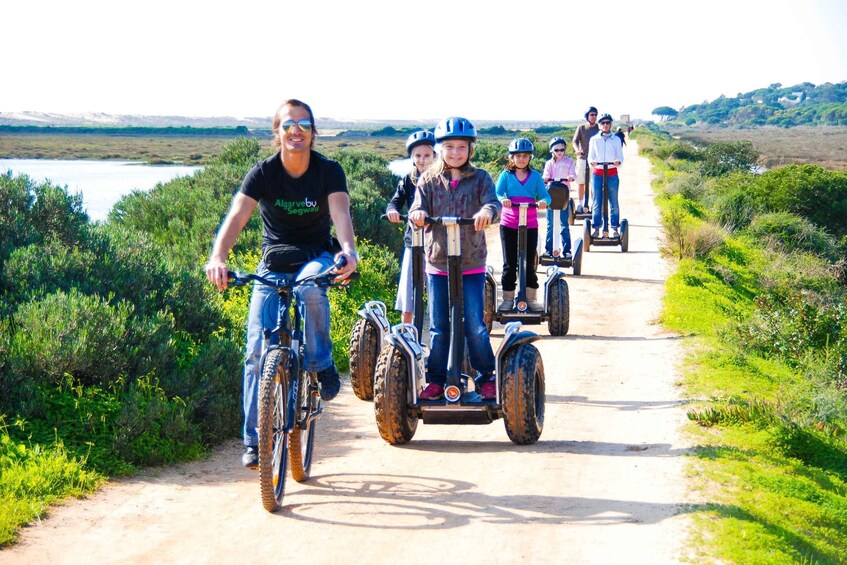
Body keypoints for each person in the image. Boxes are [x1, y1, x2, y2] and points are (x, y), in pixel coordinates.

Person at [205, 99, 359, 468]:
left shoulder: (329, 171)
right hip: (273, 261)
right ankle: (255, 441)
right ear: (277, 132)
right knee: (257, 353)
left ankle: (321, 364)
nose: (297, 130)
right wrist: (218, 258)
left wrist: (349, 252)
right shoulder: (263, 173)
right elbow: (237, 216)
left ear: (313, 132)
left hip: (316, 256)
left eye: (304, 124)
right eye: (289, 124)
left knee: (309, 287)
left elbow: (340, 213)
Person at [409, 117, 501, 400]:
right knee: (438, 326)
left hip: (471, 262)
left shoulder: (481, 178)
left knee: (475, 323)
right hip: (438, 263)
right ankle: (436, 379)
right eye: (449, 146)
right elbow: (417, 207)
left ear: (470, 149)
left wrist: (487, 212)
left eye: (462, 147)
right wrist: (418, 215)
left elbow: (493, 203)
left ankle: (486, 377)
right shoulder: (428, 180)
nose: (456, 152)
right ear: (439, 148)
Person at [386, 130, 436, 324]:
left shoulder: (441, 178)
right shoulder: (409, 179)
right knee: (407, 294)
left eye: (427, 155)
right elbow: (395, 202)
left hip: (436, 243)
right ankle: (406, 338)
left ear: (435, 156)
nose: (422, 160)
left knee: (437, 292)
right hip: (412, 241)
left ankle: (439, 339)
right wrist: (392, 211)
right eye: (417, 156)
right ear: (412, 157)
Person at [495, 138, 550, 311]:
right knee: (510, 263)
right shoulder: (506, 175)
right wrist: (503, 199)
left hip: (530, 223)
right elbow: (496, 193)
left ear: (530, 158)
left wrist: (543, 202)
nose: (521, 159)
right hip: (509, 223)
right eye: (518, 156)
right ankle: (508, 298)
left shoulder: (535, 176)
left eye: (525, 156)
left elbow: (545, 195)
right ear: (511, 157)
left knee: (528, 262)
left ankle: (531, 298)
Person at [588, 113, 625, 239]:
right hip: (598, 173)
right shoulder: (594, 139)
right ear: (599, 125)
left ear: (611, 124)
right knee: (597, 202)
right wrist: (591, 162)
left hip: (611, 173)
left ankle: (614, 228)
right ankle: (597, 228)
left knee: (613, 201)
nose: (605, 125)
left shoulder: (616, 139)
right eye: (603, 123)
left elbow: (620, 157)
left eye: (607, 123)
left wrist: (618, 162)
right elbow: (590, 156)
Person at [541, 137, 575, 260]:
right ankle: (548, 250)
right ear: (552, 151)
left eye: (562, 149)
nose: (559, 152)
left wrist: (570, 177)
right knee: (550, 224)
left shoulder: (569, 161)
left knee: (564, 224)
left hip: (563, 195)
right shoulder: (549, 163)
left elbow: (573, 173)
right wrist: (545, 178)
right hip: (551, 194)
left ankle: (567, 251)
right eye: (556, 150)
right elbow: (546, 174)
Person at [572, 106, 599, 214]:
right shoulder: (581, 127)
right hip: (583, 157)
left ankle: (594, 204)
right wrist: (577, 150)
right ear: (587, 116)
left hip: (595, 160)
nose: (594, 117)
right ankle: (581, 204)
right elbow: (574, 141)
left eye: (595, 114)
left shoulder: (599, 128)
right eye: (591, 114)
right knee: (581, 182)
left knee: (594, 183)